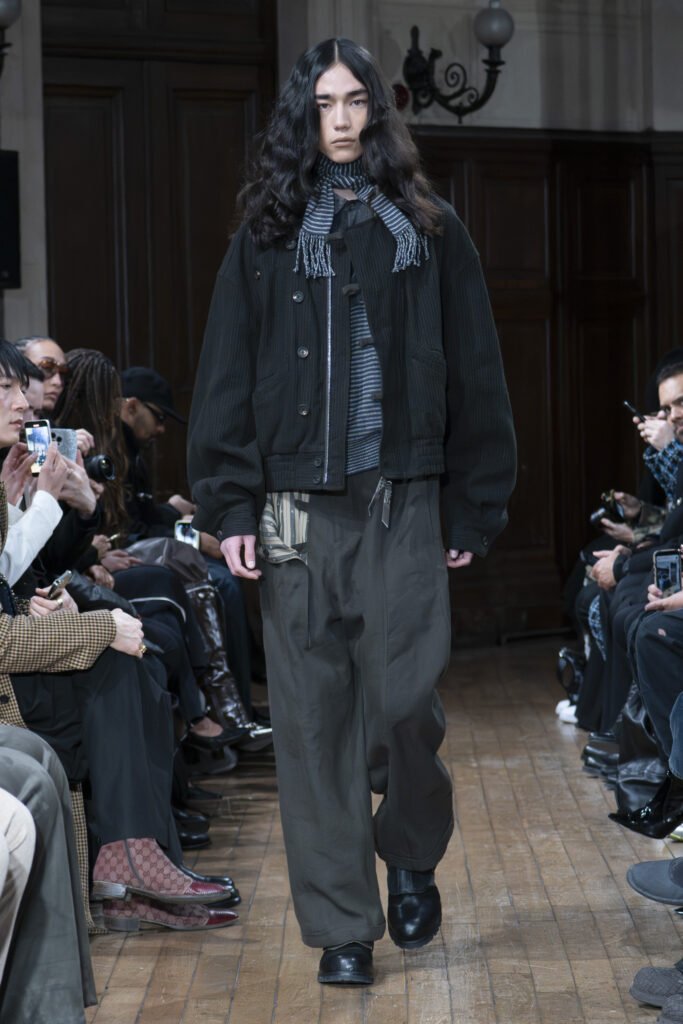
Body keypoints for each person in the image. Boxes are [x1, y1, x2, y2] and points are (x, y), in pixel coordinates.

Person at [188, 38, 516, 985]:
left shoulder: (430, 229)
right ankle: (341, 927)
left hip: (400, 497)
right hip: (293, 506)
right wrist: (230, 504)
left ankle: (409, 850)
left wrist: (473, 505)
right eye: (323, 103)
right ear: (304, 115)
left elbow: (477, 371)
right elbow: (226, 375)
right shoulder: (265, 238)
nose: (339, 118)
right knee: (311, 720)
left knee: (404, 704)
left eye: (354, 101)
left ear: (378, 110)